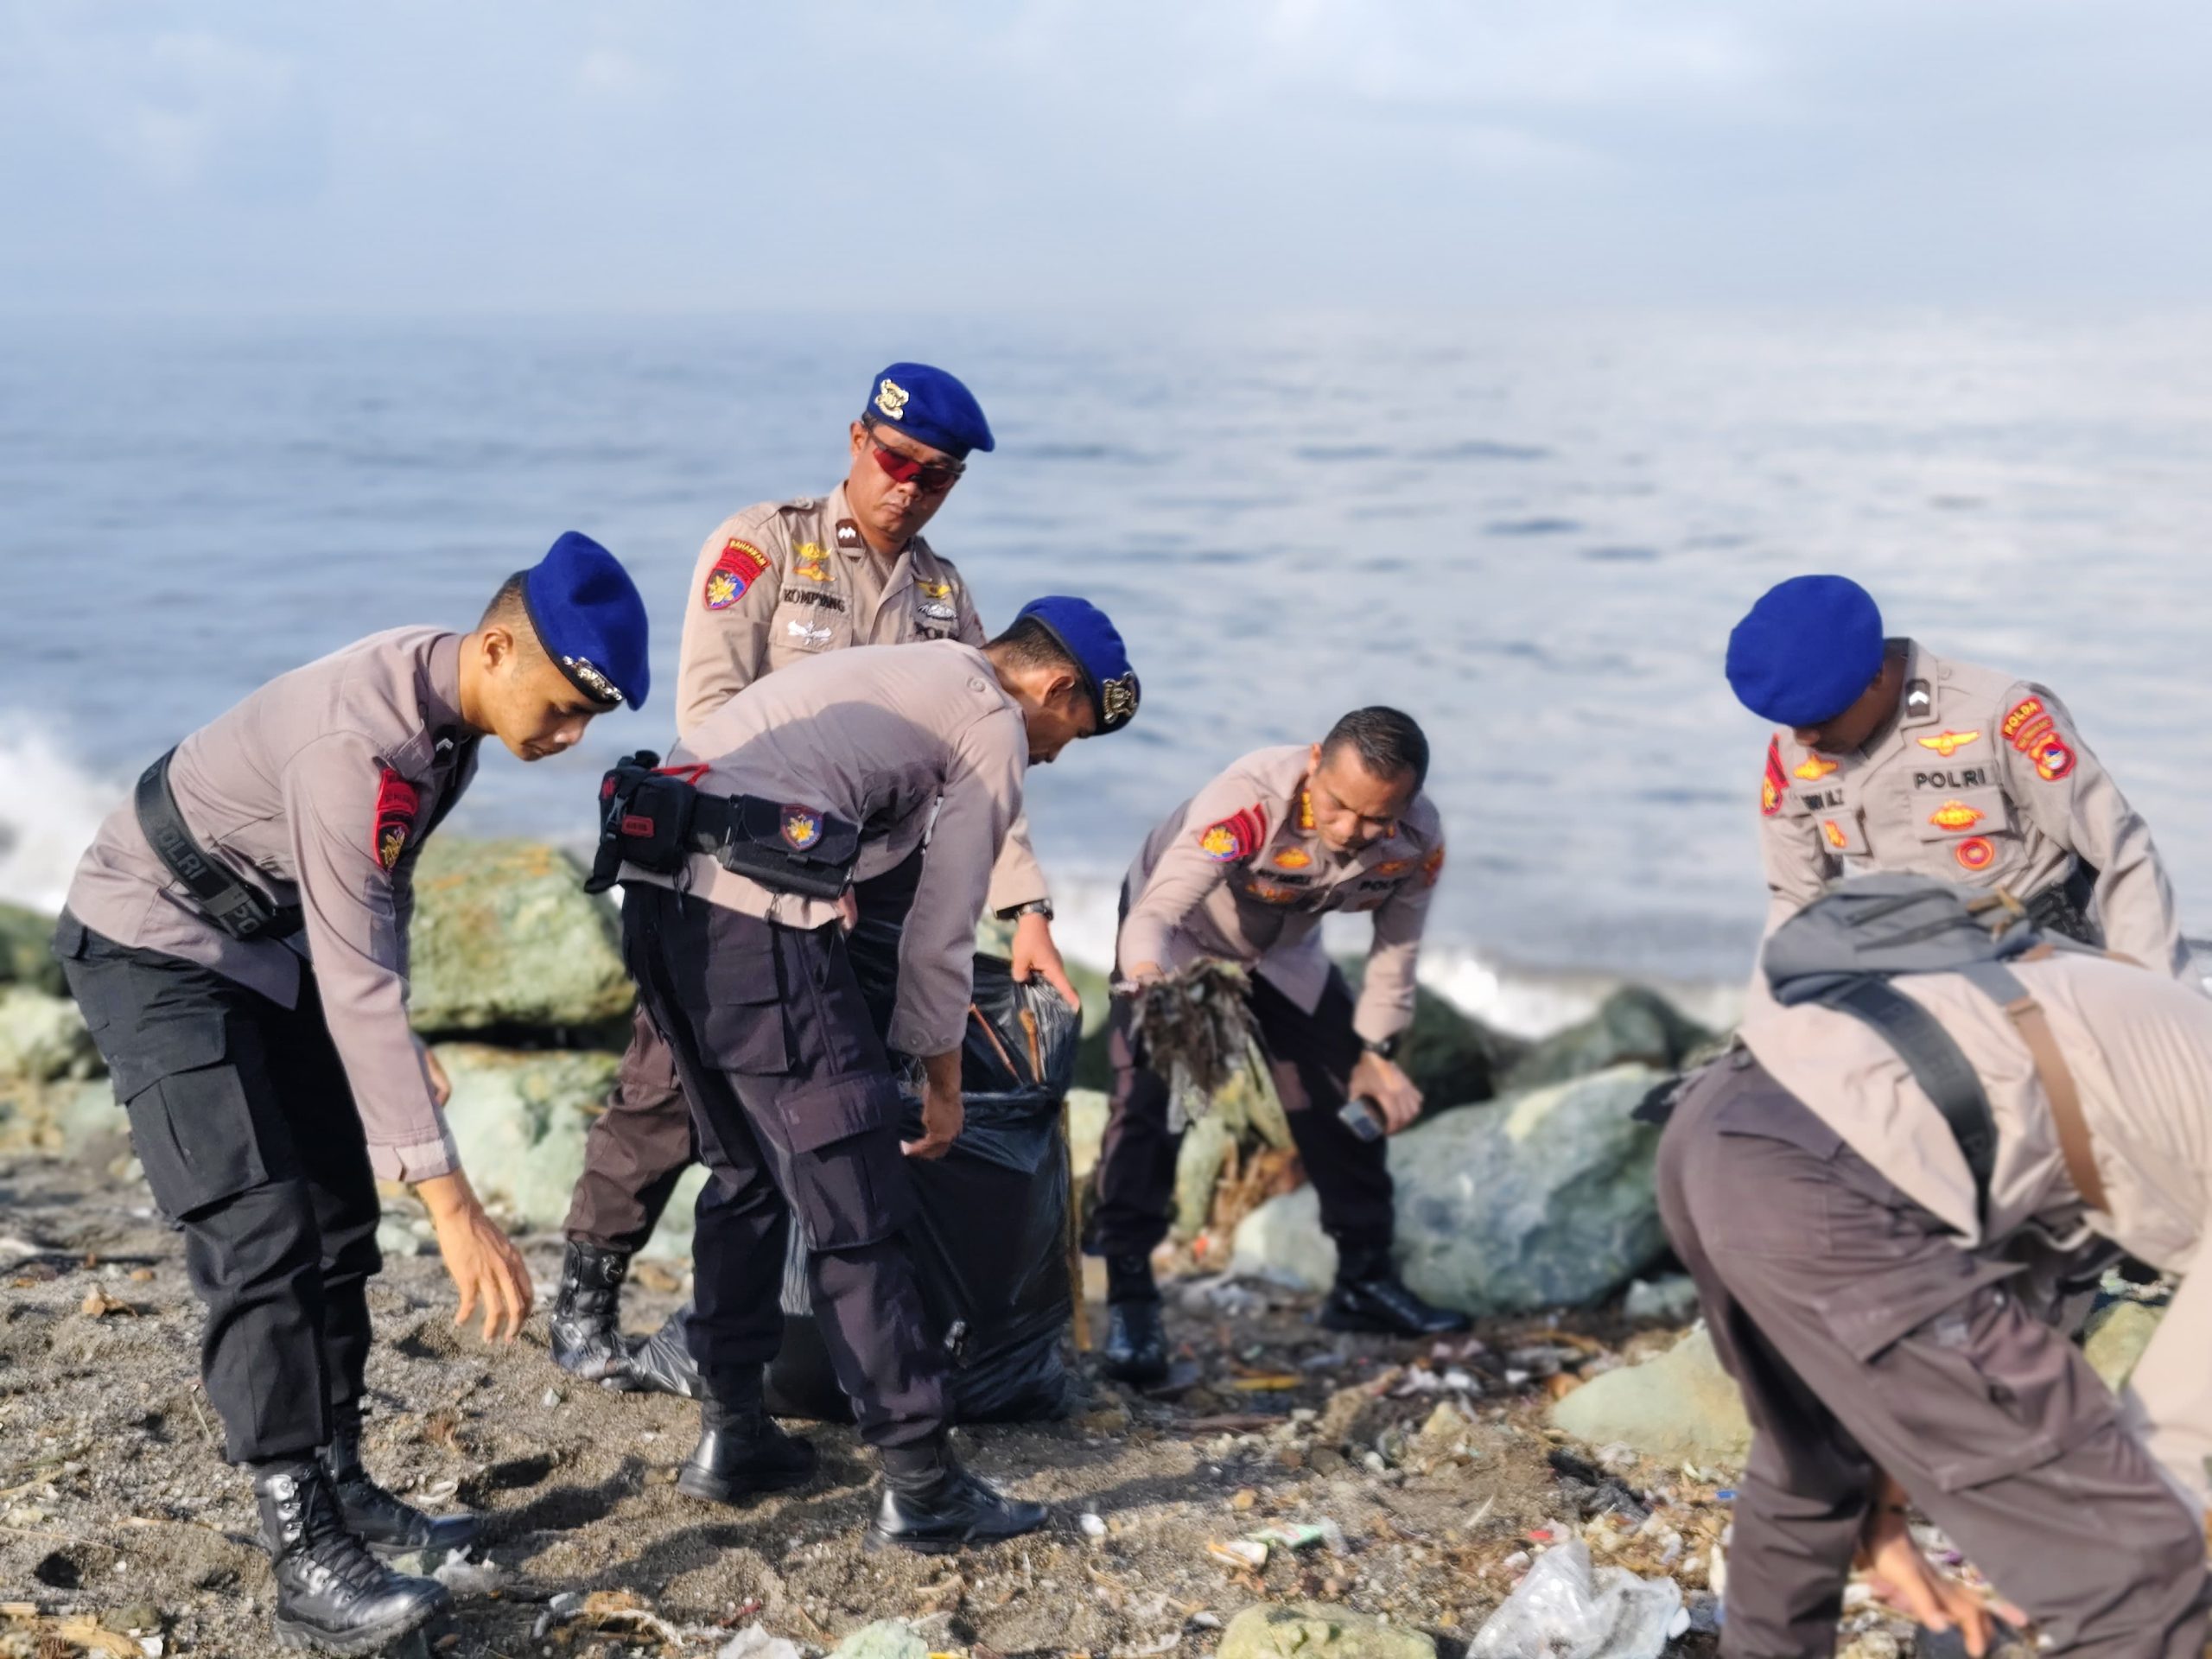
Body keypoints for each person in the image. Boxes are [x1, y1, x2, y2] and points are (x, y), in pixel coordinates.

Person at [53, 534, 649, 1655]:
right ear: (498, 649)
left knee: (336, 1215)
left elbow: (378, 901)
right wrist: (454, 1205)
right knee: (261, 1232)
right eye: (566, 709)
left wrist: (400, 1036)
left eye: (588, 721)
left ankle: (341, 1479)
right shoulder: (359, 743)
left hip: (269, 949)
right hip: (151, 942)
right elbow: (357, 970)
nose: (571, 738)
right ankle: (304, 1552)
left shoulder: (448, 723)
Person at [552, 363, 1077, 1385]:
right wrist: (796, 857)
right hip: (740, 871)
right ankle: (587, 1293)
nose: (908, 488)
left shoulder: (943, 595)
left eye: (935, 476)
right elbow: (710, 720)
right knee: (668, 1085)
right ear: (855, 441)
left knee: (847, 1101)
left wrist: (1026, 904)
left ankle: (816, 1329)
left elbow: (985, 760)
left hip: (874, 884)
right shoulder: (764, 547)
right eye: (896, 461)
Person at [605, 598, 1138, 1550]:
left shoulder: (909, 666)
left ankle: (732, 1432)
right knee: (857, 1203)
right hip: (752, 926)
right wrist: (943, 1084)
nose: (1057, 753)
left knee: (744, 1176)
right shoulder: (988, 717)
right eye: (1073, 730)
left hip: (652, 898)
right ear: (1056, 686)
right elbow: (942, 934)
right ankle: (921, 1482)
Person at [1656, 890, 2212, 1657]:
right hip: (1832, 1175)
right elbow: (2175, 1439)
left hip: (1722, 1123)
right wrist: (2114, 1538)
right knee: (2143, 1576)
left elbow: (1993, 1305)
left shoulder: (2155, 1035)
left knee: (1810, 1463)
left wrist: (1885, 1513)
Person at [1089, 708, 1468, 1387]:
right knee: (1157, 1102)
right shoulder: (1248, 803)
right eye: (1337, 805)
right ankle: (1130, 1297)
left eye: (1374, 819)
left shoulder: (1418, 840)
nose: (1349, 831)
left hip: (1286, 953)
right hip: (1181, 943)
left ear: (1407, 805)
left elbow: (1396, 950)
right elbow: (1156, 914)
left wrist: (1377, 1052)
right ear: (1316, 761)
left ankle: (1363, 1281)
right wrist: (1151, 986)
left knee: (1347, 1098)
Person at [1730, 574, 2188, 976]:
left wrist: (2159, 993)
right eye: (1791, 722)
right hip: (1905, 974)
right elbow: (1796, 900)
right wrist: (1776, 1021)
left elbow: (2119, 851)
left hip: (2041, 958)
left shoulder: (1998, 715)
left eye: (1822, 718)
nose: (1805, 738)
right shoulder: (1792, 754)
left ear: (1876, 677)